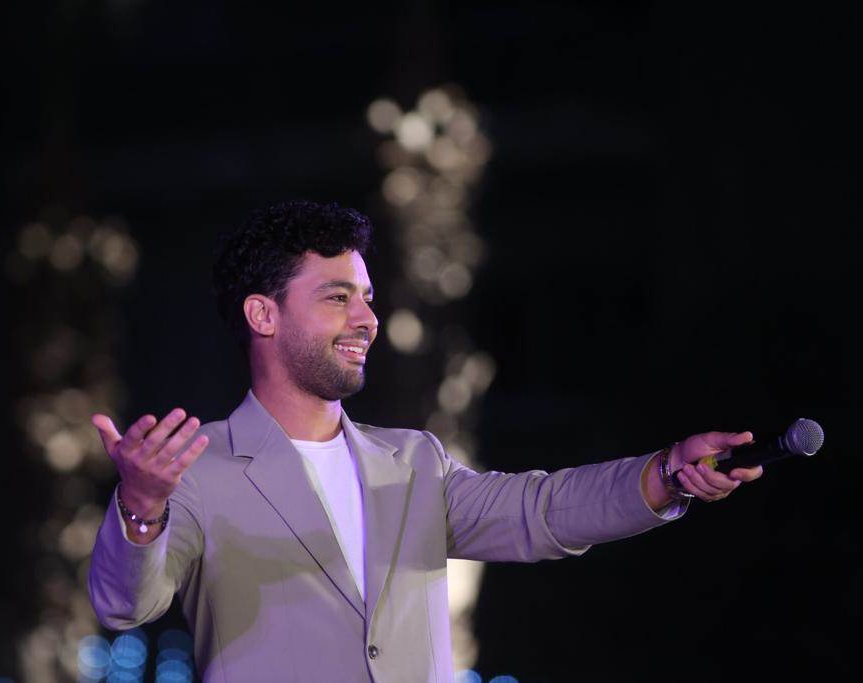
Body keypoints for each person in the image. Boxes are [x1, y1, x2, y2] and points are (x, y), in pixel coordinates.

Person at [88, 200, 762, 682]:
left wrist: (666, 473)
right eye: (338, 297)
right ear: (263, 313)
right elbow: (124, 605)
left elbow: (541, 511)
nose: (367, 318)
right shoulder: (198, 466)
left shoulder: (414, 461)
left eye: (368, 297)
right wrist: (141, 506)